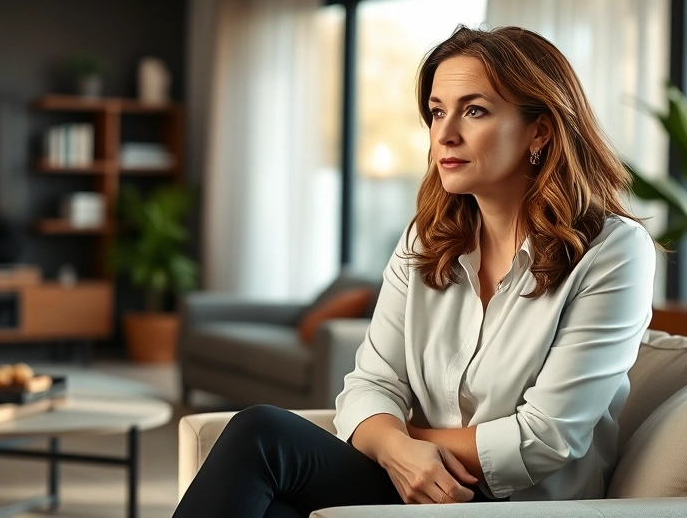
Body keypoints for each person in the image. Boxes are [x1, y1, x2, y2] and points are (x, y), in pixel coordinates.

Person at [173, 26, 657, 517]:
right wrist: (399, 451)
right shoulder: (427, 240)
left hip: (521, 507)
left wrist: (403, 443)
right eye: (437, 111)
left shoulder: (613, 252)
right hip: (416, 493)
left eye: (474, 110)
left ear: (541, 130)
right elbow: (369, 384)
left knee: (263, 435)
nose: (445, 133)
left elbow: (544, 439)